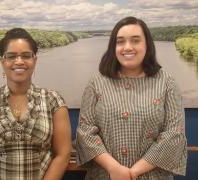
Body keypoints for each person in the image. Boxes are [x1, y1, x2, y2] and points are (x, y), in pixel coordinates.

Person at [75, 16, 187, 180]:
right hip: (105, 175)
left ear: (147, 44)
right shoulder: (96, 82)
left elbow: (174, 134)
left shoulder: (166, 83)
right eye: (120, 42)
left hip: (153, 175)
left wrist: (133, 173)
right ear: (113, 46)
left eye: (135, 40)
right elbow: (85, 133)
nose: (127, 47)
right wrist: (115, 169)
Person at [0, 28, 72, 180]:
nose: (19, 61)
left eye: (26, 56)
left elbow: (63, 155)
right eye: (11, 56)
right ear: (2, 61)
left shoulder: (53, 101)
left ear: (34, 60)